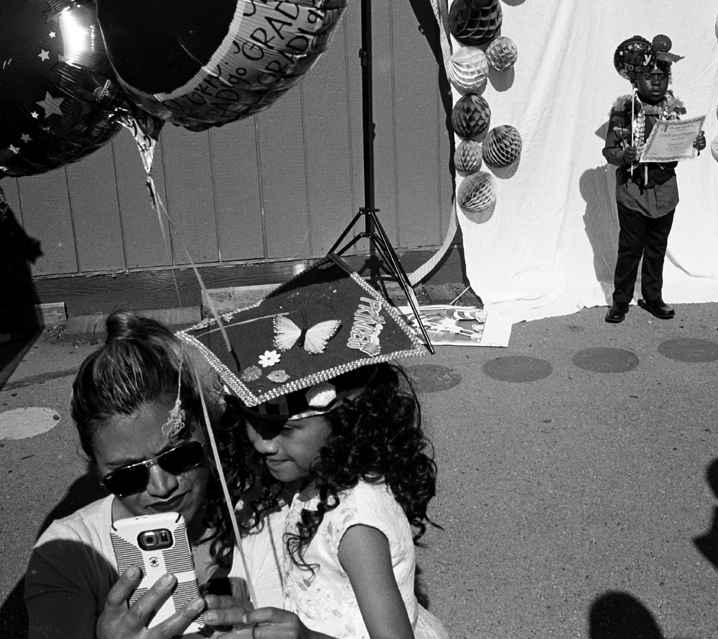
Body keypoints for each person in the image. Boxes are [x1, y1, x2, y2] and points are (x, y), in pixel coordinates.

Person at [176, 253, 445, 639]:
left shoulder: (357, 528)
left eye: (283, 428)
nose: (261, 443)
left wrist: (304, 637)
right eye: (253, 422)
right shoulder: (322, 478)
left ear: (346, 421)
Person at [23, 311, 263, 639]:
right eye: (126, 475)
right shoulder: (69, 552)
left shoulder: (264, 512)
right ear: (96, 469)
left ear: (207, 431)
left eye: (180, 456)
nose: (162, 486)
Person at [603, 34, 707, 324]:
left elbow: (680, 144)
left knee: (657, 248)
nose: (657, 82)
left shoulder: (674, 110)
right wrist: (624, 156)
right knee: (630, 248)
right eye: (649, 76)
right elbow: (609, 149)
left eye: (663, 76)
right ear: (636, 80)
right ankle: (620, 300)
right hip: (633, 192)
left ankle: (652, 296)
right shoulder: (623, 111)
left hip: (665, 191)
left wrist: (696, 142)